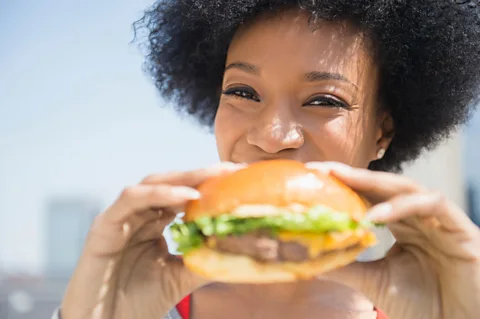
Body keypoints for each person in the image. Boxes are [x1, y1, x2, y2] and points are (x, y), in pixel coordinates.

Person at [54, 1, 480, 318]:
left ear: (381, 135)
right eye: (242, 92)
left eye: (323, 100)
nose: (273, 137)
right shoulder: (134, 304)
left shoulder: (435, 307)